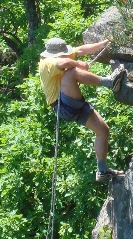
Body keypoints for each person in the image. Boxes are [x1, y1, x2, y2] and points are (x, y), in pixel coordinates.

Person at [39, 37, 126, 183]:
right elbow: (64, 63)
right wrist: (79, 64)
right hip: (63, 105)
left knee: (103, 130)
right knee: (72, 72)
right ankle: (110, 83)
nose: (69, 54)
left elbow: (80, 50)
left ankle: (102, 170)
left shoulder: (63, 56)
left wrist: (103, 43)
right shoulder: (47, 63)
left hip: (71, 106)